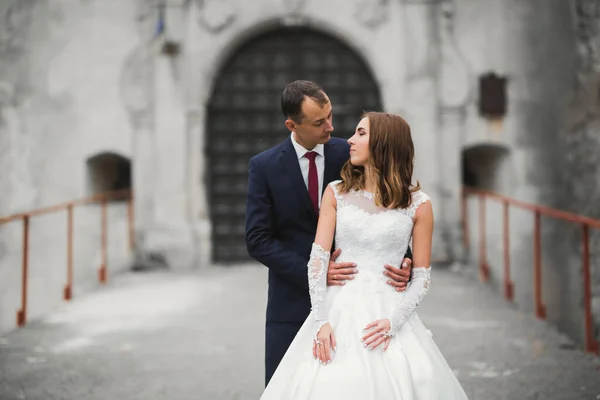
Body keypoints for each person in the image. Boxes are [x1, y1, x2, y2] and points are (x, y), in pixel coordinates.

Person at [259, 112, 469, 399]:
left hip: (389, 312)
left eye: (360, 133)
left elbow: (422, 275)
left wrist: (394, 322)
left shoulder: (420, 204)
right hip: (337, 308)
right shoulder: (335, 193)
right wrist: (321, 321)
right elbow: (317, 260)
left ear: (383, 143)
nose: (350, 140)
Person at [245, 80, 413, 386]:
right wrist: (316, 272)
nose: (331, 128)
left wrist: (404, 257)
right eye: (320, 122)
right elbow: (257, 240)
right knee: (287, 387)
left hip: (352, 302)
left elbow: (386, 207)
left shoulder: (350, 154)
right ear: (292, 125)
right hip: (291, 302)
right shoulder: (264, 166)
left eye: (331, 116)